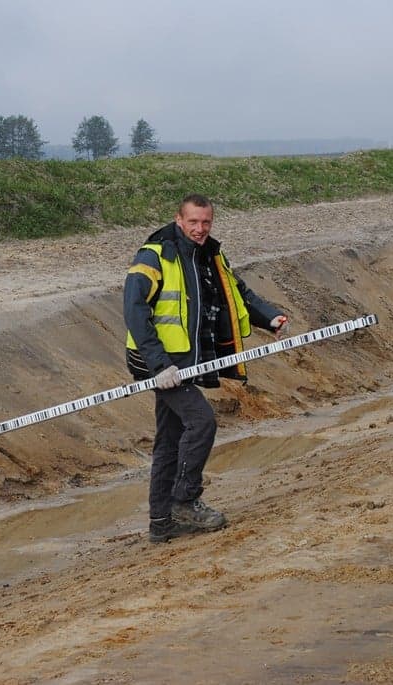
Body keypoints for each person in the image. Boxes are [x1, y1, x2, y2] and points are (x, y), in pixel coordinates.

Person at [124, 193, 289, 543]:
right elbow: (134, 311)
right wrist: (159, 365)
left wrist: (269, 316)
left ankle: (161, 522)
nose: (200, 229)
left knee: (169, 440)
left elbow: (237, 292)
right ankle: (184, 499)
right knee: (201, 422)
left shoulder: (210, 254)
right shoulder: (154, 255)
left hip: (183, 362)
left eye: (206, 222)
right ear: (179, 219)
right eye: (193, 222)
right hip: (159, 364)